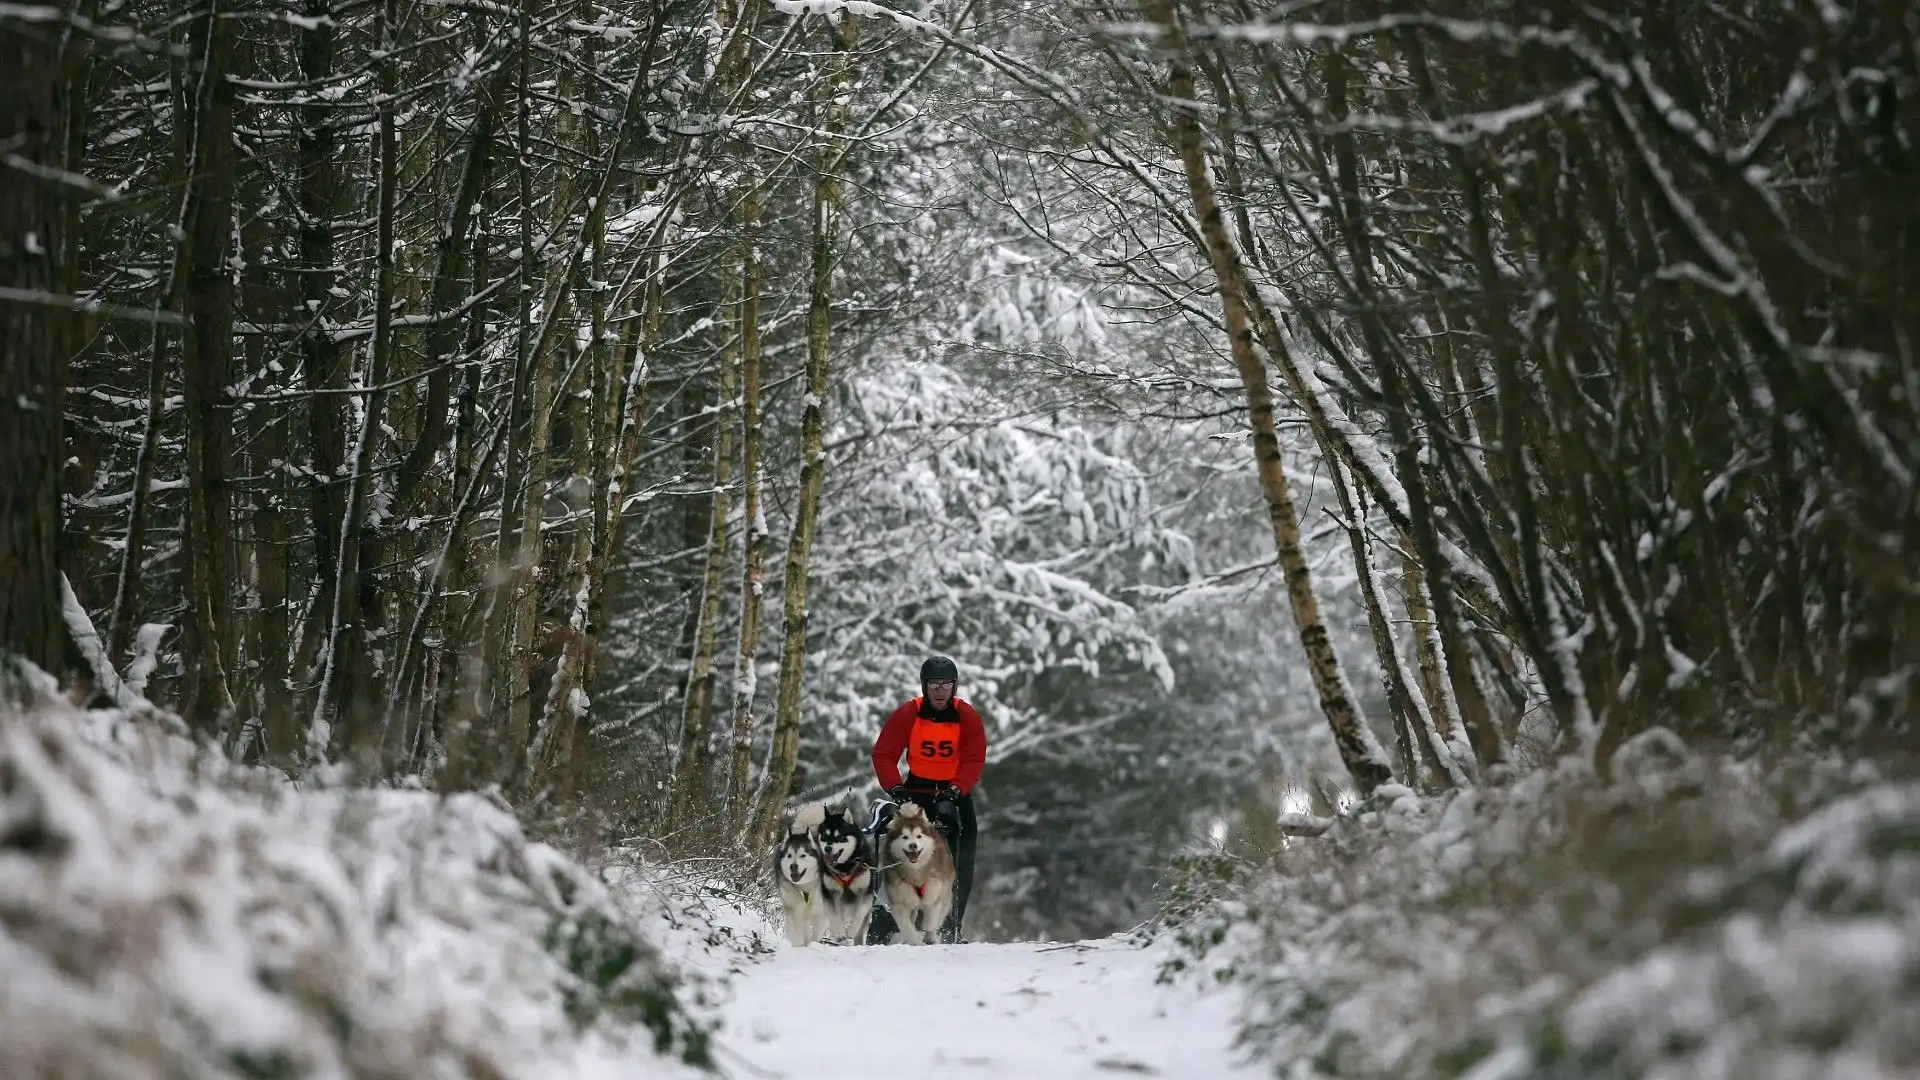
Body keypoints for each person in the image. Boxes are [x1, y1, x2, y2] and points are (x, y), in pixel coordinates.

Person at [871, 654, 986, 942]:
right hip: (917, 792)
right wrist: (896, 789)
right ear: (924, 687)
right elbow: (884, 754)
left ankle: (950, 926)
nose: (939, 691)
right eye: (933, 685)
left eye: (946, 684)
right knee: (910, 856)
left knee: (963, 855)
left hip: (956, 792)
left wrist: (956, 790)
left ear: (954, 686)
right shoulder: (909, 713)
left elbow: (974, 759)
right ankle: (904, 918)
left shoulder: (967, 716)